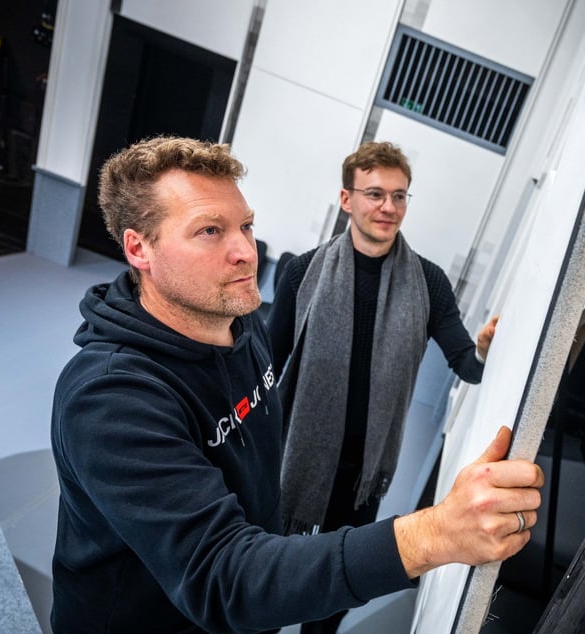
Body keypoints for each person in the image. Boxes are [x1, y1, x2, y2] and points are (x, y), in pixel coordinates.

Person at [49, 136, 542, 634]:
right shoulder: (111, 398)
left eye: (245, 226)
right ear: (139, 248)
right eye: (209, 231)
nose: (246, 251)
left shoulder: (237, 325)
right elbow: (227, 576)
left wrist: (488, 352)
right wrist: (433, 534)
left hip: (344, 490)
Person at [266, 141, 497, 632]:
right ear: (347, 199)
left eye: (399, 196)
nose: (389, 207)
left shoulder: (428, 283)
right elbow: (267, 364)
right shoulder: (301, 272)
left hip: (361, 476)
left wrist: (483, 348)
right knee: (269, 577)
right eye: (375, 193)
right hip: (293, 459)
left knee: (336, 588)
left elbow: (467, 364)